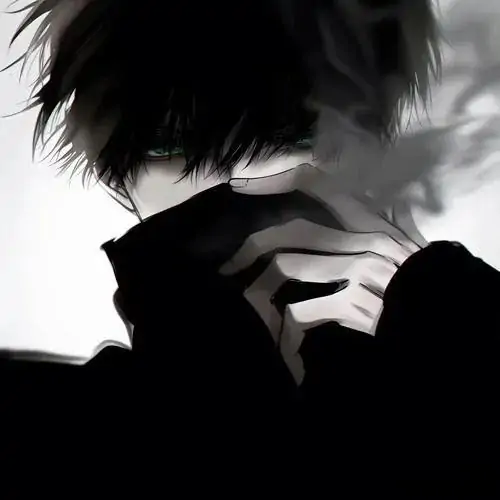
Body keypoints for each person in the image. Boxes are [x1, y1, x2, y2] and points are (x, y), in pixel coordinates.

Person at [1, 0, 498, 495]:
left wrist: (460, 328)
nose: (240, 181)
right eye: (170, 147)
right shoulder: (41, 432)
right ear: (118, 178)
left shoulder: (460, 349)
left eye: (288, 137)